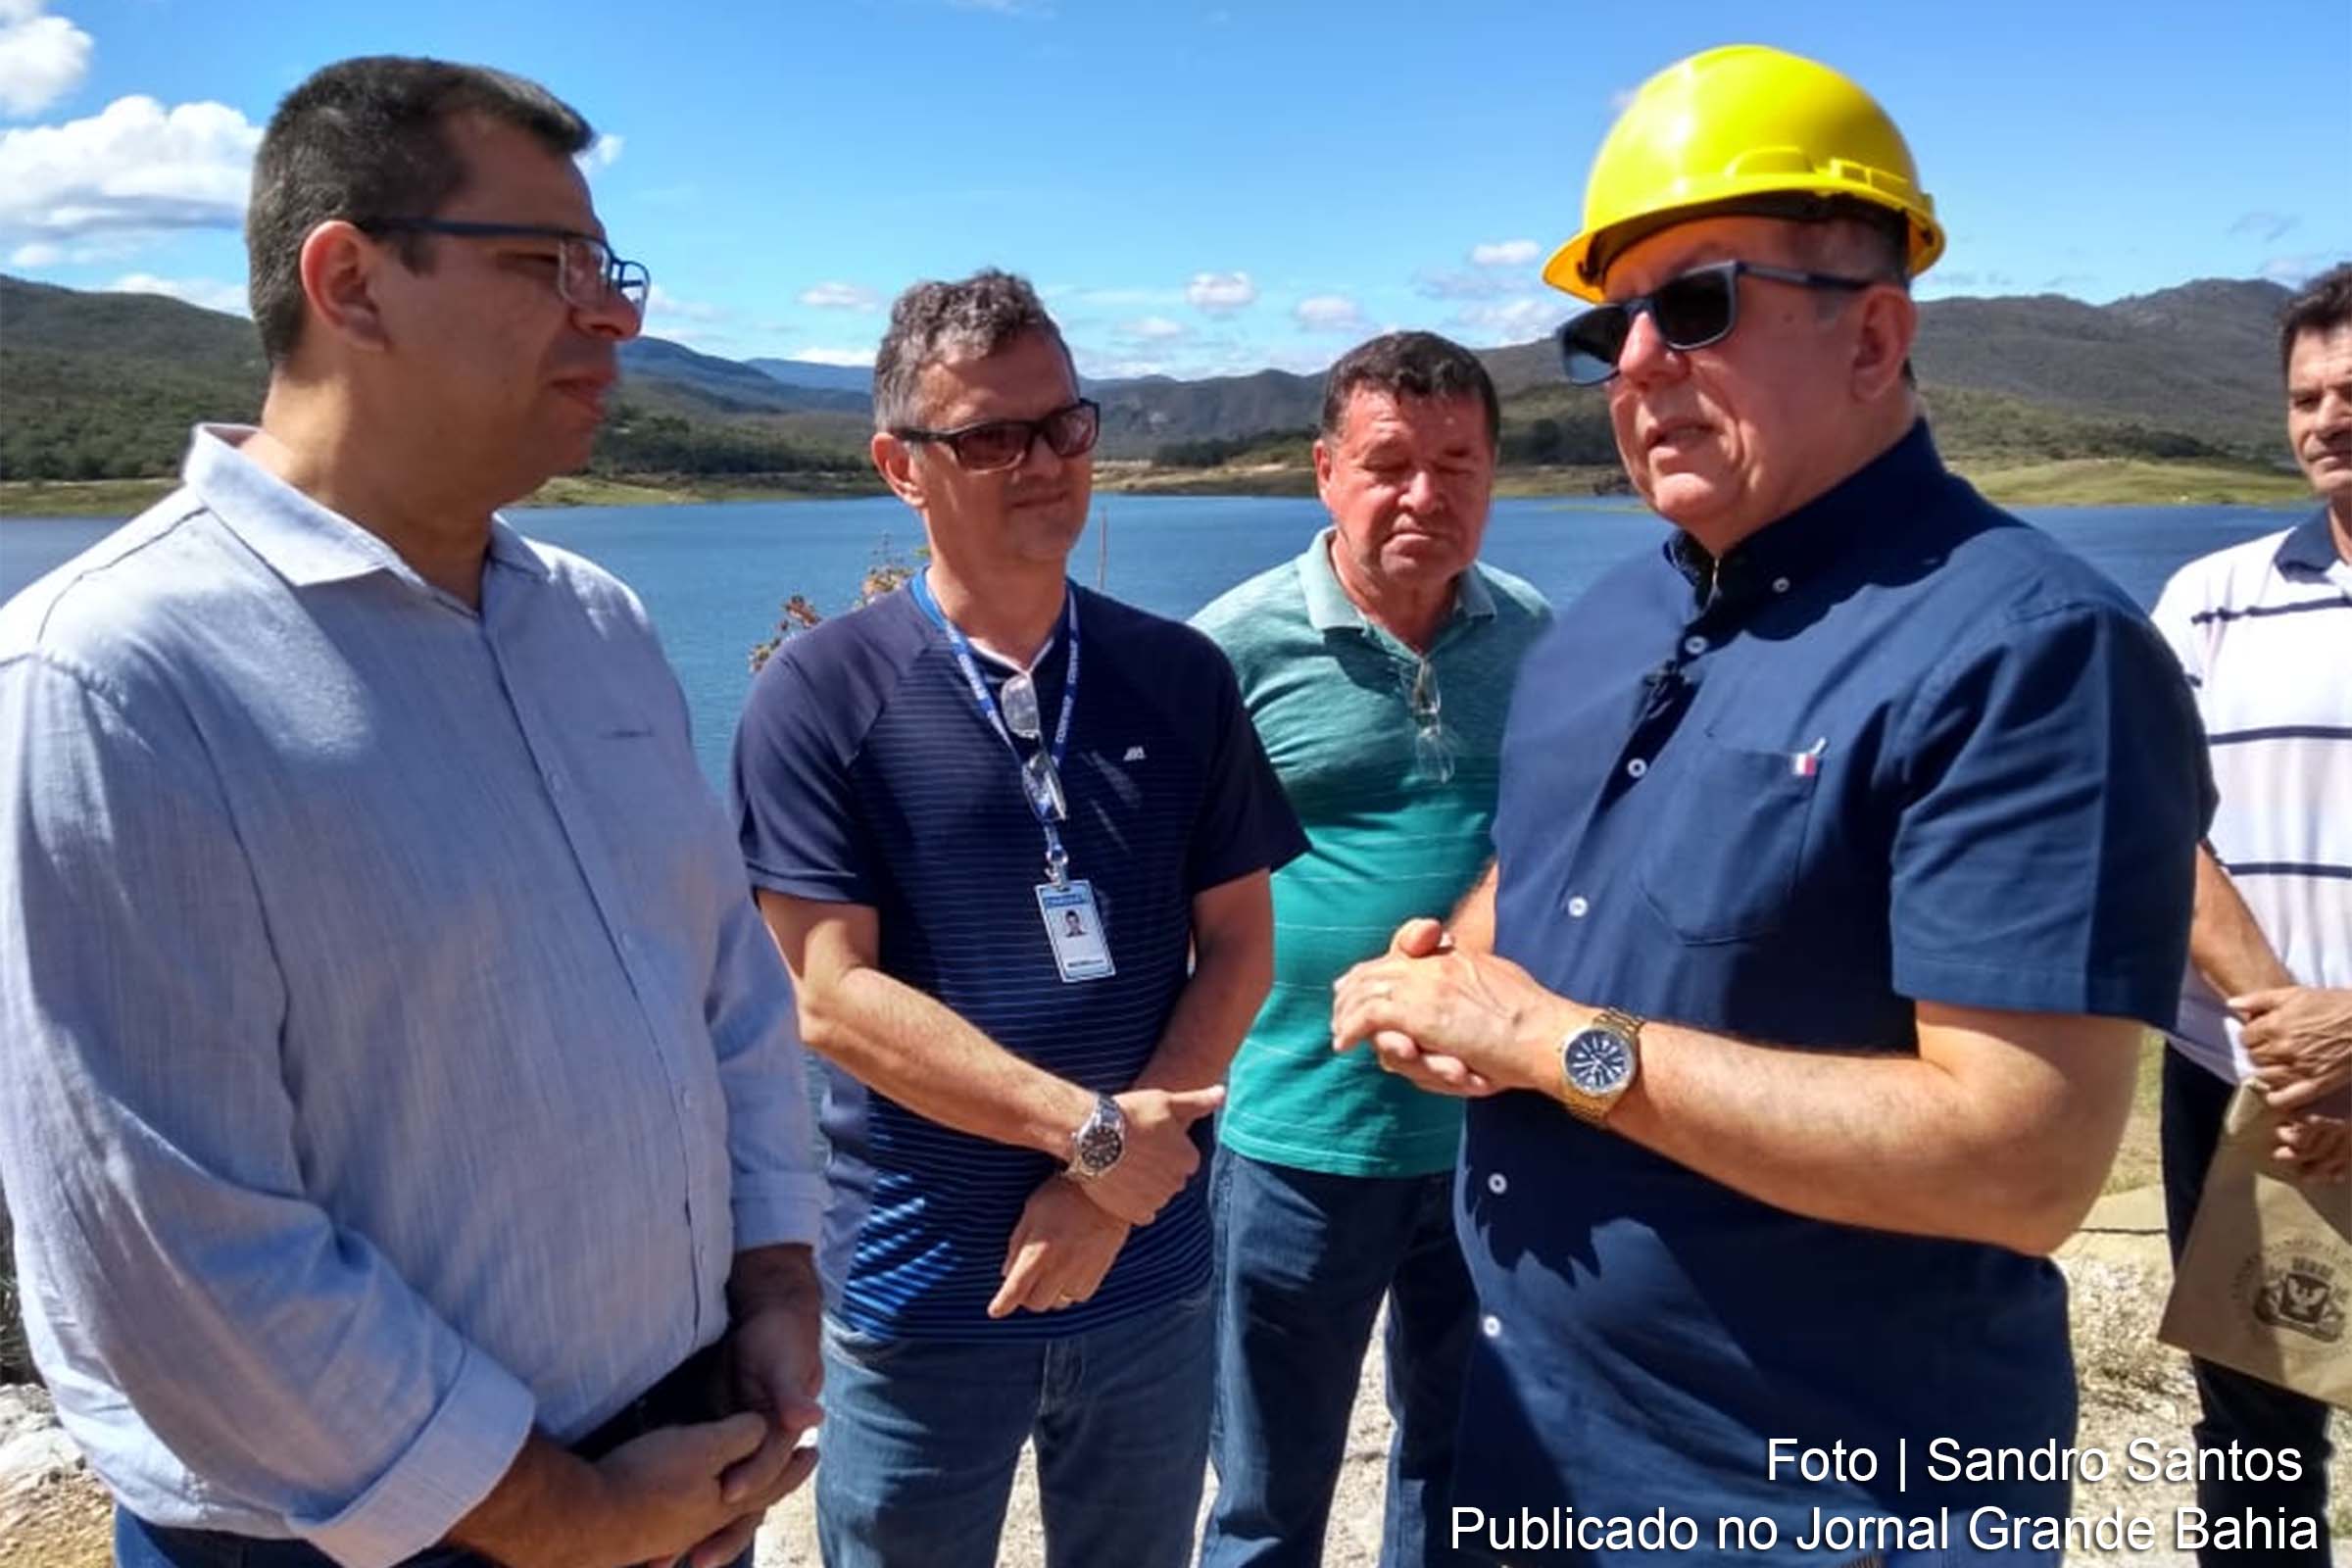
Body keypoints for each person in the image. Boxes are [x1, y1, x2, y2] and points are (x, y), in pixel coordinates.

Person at [1329, 45, 2213, 1565]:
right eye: (1613, 325)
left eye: (1700, 305)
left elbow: (2019, 1163)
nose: (1641, 363)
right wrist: (1456, 968)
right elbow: (1543, 867)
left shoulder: (2033, 652)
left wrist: (1545, 1042)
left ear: (1875, 335)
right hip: (1512, 1450)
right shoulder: (1605, 621)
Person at [0, 57, 825, 1568]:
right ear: (351, 279)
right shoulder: (115, 677)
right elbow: (168, 1242)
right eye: (547, 266)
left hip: (681, 1456)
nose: (616, 316)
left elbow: (727, 995)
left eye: (609, 267)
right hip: (367, 1540)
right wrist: (556, 1514)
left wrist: (775, 1278)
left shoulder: (597, 622)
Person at [732, 268, 1306, 1568]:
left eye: (1065, 424)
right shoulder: (823, 699)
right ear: (901, 466)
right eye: (992, 436)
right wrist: (1091, 1139)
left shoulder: (1179, 677)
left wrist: (1104, 1196)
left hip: (1148, 1283)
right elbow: (830, 995)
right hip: (925, 1294)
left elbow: (1241, 946)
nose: (1043, 460)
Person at [1189, 331, 1548, 1568]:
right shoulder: (1227, 653)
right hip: (1292, 1135)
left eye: (1459, 464)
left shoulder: (1541, 641)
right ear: (1325, 471)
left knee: (1467, 1477)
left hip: (1501, 1137)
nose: (1426, 496)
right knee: (1263, 1497)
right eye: (1391, 463)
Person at [2147, 260, 2352, 1566]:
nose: (2328, 417)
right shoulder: (2211, 598)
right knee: (2260, 1436)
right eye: (2307, 394)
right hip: (2241, 1081)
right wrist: (2291, 1035)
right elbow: (2154, 823)